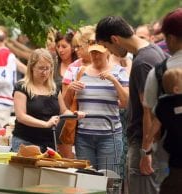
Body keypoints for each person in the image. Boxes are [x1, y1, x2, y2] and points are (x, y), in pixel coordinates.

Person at [95, 16, 168, 193]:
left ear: (114, 39)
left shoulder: (142, 62)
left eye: (107, 47)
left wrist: (145, 151)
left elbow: (149, 111)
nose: (110, 52)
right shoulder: (151, 52)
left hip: (145, 143)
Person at [64, 43, 129, 172]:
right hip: (83, 136)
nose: (95, 56)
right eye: (93, 52)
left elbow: (126, 102)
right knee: (86, 179)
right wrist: (70, 89)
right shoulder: (78, 72)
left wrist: (114, 81)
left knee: (108, 179)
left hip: (110, 136)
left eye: (98, 52)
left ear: (108, 52)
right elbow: (65, 105)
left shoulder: (119, 71)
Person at [11, 48, 85, 153]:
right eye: (41, 68)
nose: (44, 72)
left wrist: (74, 115)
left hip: (49, 143)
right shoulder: (22, 87)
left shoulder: (54, 88)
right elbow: (21, 116)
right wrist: (45, 124)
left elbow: (63, 111)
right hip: (25, 141)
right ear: (32, 67)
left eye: (48, 68)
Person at [142, 68, 182, 194]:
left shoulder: (162, 105)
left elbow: (154, 128)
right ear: (176, 89)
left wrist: (147, 147)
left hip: (172, 155)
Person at [54, 30, 77, 158]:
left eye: (64, 46)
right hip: (57, 114)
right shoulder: (53, 65)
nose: (60, 50)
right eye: (58, 47)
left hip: (75, 113)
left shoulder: (79, 65)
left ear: (73, 47)